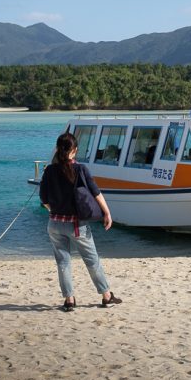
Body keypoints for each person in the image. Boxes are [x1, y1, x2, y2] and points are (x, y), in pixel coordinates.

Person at [39, 132, 123, 311]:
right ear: (75, 151)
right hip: (76, 225)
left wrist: (54, 211)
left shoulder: (49, 170)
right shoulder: (81, 169)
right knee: (92, 260)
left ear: (57, 149)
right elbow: (96, 192)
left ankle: (69, 300)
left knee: (63, 262)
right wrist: (107, 213)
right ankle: (106, 296)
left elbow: (44, 199)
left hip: (54, 224)